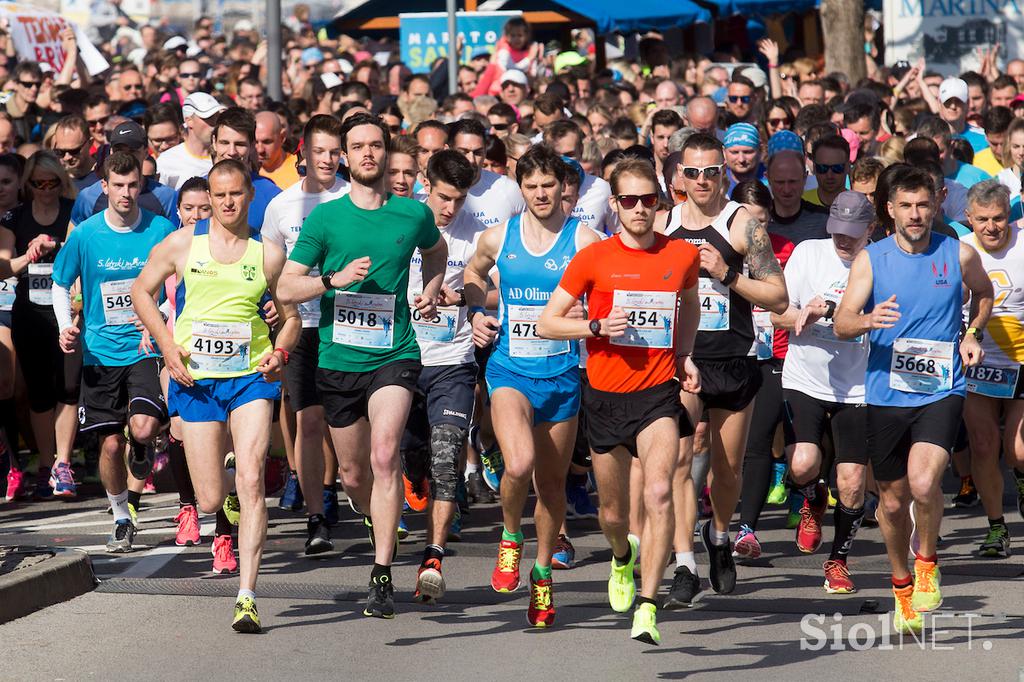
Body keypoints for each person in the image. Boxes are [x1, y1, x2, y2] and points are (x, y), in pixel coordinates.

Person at [277, 112, 449, 619]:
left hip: (394, 353)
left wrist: (431, 290)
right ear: (344, 158)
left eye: (376, 145)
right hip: (337, 358)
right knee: (354, 474)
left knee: (383, 455)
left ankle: (381, 574)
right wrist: (332, 281)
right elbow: (287, 286)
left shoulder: (411, 214)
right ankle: (371, 507)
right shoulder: (326, 219)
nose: (368, 154)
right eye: (358, 147)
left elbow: (436, 255)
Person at [132, 158, 300, 633]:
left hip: (250, 377)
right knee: (209, 500)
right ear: (210, 198)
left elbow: (292, 320)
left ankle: (247, 595)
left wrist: (281, 353)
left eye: (235, 194)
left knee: (251, 483)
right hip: (198, 382)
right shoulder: (184, 244)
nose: (227, 203)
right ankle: (225, 493)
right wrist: (167, 348)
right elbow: (141, 291)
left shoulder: (267, 254)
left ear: (250, 196)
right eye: (219, 195)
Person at [538, 157, 701, 644]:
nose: (638, 209)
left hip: (658, 394)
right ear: (614, 205)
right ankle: (621, 558)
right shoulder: (594, 258)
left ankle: (648, 605)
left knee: (657, 493)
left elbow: (688, 304)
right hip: (605, 396)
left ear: (659, 203)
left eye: (647, 200)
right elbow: (548, 322)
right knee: (612, 515)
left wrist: (685, 354)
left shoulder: (681, 256)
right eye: (628, 201)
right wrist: (593, 327)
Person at [834, 167, 993, 634]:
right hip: (886, 393)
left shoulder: (958, 253)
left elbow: (984, 293)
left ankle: (927, 560)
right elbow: (843, 321)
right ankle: (901, 582)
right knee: (891, 500)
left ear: (937, 205)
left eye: (923, 204)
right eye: (906, 206)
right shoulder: (871, 260)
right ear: (890, 210)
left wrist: (972, 332)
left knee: (924, 485)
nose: (916, 214)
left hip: (942, 388)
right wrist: (868, 320)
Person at [463, 144, 600, 627]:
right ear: (520, 189)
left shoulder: (584, 239)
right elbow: (473, 273)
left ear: (564, 188)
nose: (541, 194)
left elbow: (609, 288)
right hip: (509, 370)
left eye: (549, 185)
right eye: (531, 186)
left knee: (551, 486)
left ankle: (541, 573)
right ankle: (508, 537)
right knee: (517, 463)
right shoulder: (500, 236)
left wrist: (592, 314)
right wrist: (478, 311)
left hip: (562, 376)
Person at [663, 132, 788, 605]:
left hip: (734, 359)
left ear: (724, 172)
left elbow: (778, 297)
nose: (701, 180)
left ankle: (718, 538)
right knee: (679, 459)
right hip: (682, 360)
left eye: (710, 171)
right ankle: (683, 562)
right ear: (679, 175)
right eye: (691, 172)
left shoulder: (742, 226)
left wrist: (728, 275)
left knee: (727, 467)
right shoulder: (664, 225)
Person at [51, 152, 175, 551]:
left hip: (144, 347)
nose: (125, 193)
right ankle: (122, 516)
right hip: (99, 354)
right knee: (108, 445)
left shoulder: (160, 229)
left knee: (142, 427)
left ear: (141, 185)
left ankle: (143, 445)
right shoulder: (86, 234)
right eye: (117, 185)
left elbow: (177, 285)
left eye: (132, 185)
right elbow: (59, 283)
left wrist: (161, 313)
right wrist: (65, 327)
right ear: (104, 187)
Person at [771, 191, 874, 593]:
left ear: (870, 229)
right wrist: (802, 315)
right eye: (837, 231)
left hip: (859, 384)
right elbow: (778, 313)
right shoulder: (808, 253)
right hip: (805, 378)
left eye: (851, 232)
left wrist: (834, 311)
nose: (842, 240)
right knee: (801, 464)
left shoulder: (879, 262)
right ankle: (813, 497)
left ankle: (837, 562)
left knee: (851, 483)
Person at [261, 115, 350, 554]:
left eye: (336, 152)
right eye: (321, 152)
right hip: (300, 327)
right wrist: (269, 303)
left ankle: (366, 502)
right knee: (309, 421)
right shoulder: (281, 206)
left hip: (349, 329)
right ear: (304, 154)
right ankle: (318, 515)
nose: (329, 160)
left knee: (353, 427)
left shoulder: (354, 198)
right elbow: (271, 272)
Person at [404, 150, 487, 603]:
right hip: (402, 358)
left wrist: (466, 297)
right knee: (415, 456)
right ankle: (411, 473)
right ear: (425, 183)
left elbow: (496, 289)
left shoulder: (476, 235)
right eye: (442, 197)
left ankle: (433, 556)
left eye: (459, 198)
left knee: (447, 452)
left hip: (453, 361)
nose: (449, 208)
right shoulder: (400, 222)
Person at [1, 152, 79, 498]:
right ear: (27, 184)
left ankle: (64, 463)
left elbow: (79, 251)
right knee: (38, 391)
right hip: (29, 313)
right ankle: (47, 463)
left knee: (67, 387)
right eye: (38, 184)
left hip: (65, 312)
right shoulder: (15, 217)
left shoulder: (71, 211)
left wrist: (55, 245)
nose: (46, 190)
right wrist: (28, 254)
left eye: (52, 183)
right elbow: (3, 266)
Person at [959, 180, 1024, 557]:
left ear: (1009, 215)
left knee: (1017, 450)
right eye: (982, 219)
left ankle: (1020, 474)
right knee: (984, 446)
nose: (991, 227)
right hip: (978, 362)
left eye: (999, 218)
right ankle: (996, 528)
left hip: (1020, 359)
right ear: (969, 218)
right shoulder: (961, 250)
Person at [449, 119, 526, 228]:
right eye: (463, 152)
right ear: (448, 150)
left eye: (478, 153)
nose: (471, 160)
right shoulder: (432, 192)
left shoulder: (509, 189)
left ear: (485, 152)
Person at [156, 92, 226, 190]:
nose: (215, 124)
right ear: (189, 121)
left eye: (217, 117)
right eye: (208, 118)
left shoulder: (227, 156)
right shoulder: (166, 161)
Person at [255, 111, 300, 189]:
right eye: (255, 142)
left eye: (267, 142)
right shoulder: (244, 171)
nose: (260, 150)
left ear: (282, 138)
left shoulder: (300, 170)